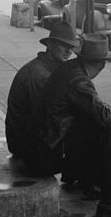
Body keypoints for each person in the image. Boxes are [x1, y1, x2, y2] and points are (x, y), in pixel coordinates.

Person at [30, 33, 111, 217]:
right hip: (47, 153)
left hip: (41, 143)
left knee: (89, 125)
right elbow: (105, 117)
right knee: (105, 134)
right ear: (101, 64)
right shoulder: (78, 80)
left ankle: (88, 181)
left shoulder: (69, 68)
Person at [5, 21, 79, 159]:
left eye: (71, 47)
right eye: (64, 45)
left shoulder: (47, 68)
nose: (69, 51)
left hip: (27, 138)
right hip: (25, 144)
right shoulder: (39, 74)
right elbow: (50, 115)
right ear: (50, 45)